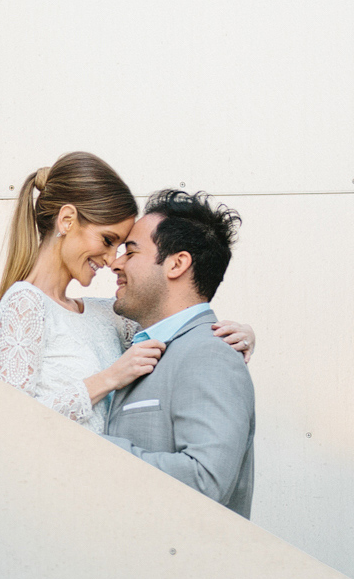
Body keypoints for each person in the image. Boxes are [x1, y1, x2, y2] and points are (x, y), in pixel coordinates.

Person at [0, 153, 254, 432]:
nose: (111, 259)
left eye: (122, 248)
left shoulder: (108, 315)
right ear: (67, 220)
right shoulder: (25, 302)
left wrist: (237, 336)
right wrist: (108, 379)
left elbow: (176, 327)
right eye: (107, 240)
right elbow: (8, 419)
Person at [102, 189, 256, 517]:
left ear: (177, 264)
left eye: (130, 252)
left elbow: (207, 479)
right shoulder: (137, 346)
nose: (114, 263)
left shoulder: (209, 355)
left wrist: (94, 451)